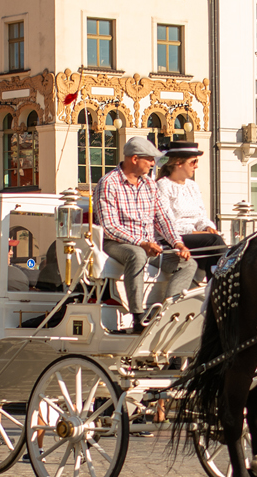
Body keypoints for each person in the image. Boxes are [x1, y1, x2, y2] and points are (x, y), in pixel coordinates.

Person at [94, 136, 192, 333]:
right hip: (116, 243)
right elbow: (110, 227)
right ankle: (138, 317)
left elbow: (163, 218)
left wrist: (177, 243)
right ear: (134, 159)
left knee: (188, 264)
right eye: (149, 159)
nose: (153, 163)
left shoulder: (149, 184)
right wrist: (141, 243)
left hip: (148, 245)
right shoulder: (108, 183)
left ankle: (166, 313)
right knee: (137, 254)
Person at [154, 141, 226, 295]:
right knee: (214, 241)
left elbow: (201, 215)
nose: (196, 166)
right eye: (193, 162)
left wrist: (207, 227)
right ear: (178, 163)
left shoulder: (192, 186)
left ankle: (213, 286)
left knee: (215, 241)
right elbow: (167, 222)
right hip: (171, 239)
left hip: (196, 237)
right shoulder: (162, 186)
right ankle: (220, 288)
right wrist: (198, 233)